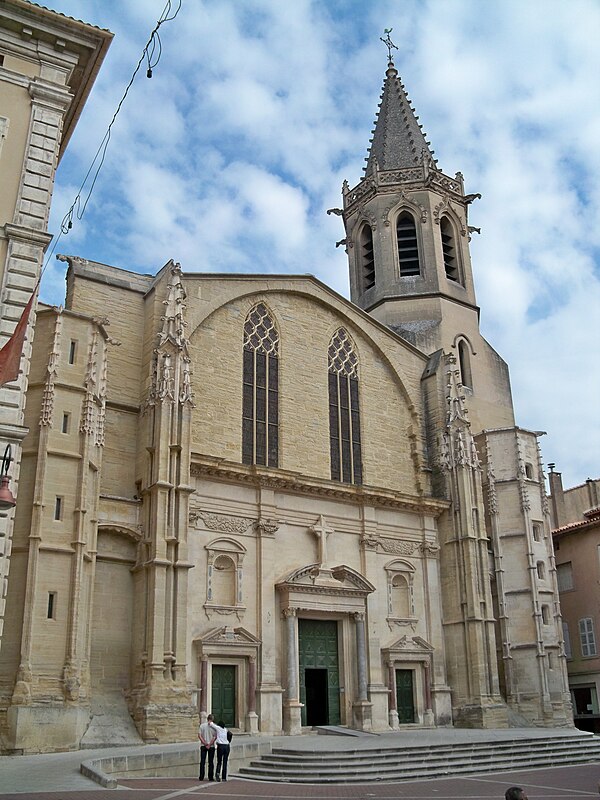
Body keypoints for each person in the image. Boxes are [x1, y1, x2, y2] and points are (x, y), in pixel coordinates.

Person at [198, 713, 217, 781]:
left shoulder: (202, 726)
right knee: (211, 762)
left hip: (203, 745)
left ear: (207, 719)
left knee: (202, 762)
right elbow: (215, 737)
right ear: (212, 719)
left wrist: (205, 743)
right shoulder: (214, 726)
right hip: (211, 746)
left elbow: (199, 736)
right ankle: (210, 777)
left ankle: (201, 776)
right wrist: (209, 744)